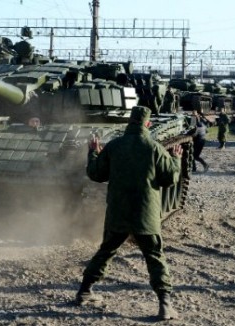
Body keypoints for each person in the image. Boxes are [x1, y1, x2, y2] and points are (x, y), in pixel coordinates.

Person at [75, 106, 183, 321]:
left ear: (129, 123)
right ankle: (165, 305)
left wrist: (93, 152)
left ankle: (84, 291)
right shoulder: (154, 148)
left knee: (106, 251)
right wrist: (176, 160)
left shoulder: (114, 146)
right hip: (145, 214)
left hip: (118, 212)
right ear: (148, 124)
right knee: (154, 255)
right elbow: (170, 178)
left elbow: (96, 174)